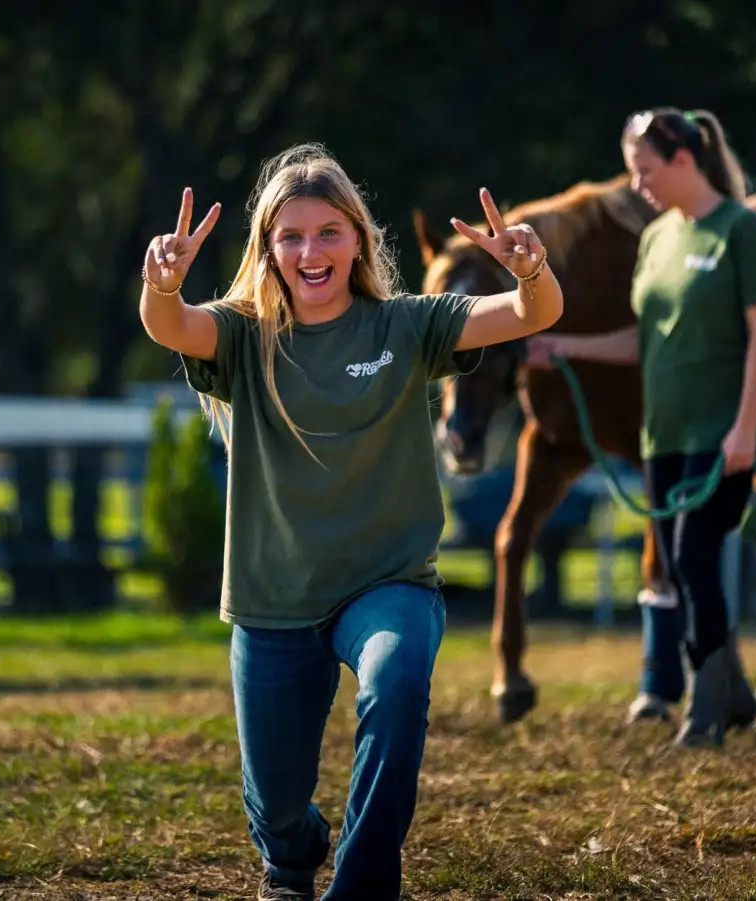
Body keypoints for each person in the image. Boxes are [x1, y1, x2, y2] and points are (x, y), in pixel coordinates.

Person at [138, 143, 563, 900]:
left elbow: (534, 314)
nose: (312, 251)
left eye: (330, 232)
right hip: (274, 601)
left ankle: (362, 886)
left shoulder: (407, 327)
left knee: (397, 680)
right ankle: (293, 856)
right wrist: (161, 286)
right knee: (274, 806)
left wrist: (529, 270)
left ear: (360, 240)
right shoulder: (244, 337)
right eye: (292, 236)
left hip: (387, 586)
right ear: (269, 249)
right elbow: (173, 328)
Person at [527, 108, 756, 747]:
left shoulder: (741, 230)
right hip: (663, 437)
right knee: (681, 563)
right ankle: (731, 693)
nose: (638, 185)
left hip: (720, 435)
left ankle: (705, 711)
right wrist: (565, 346)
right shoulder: (657, 240)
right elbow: (645, 340)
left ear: (683, 160)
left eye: (644, 170)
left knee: (695, 560)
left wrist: (744, 431)